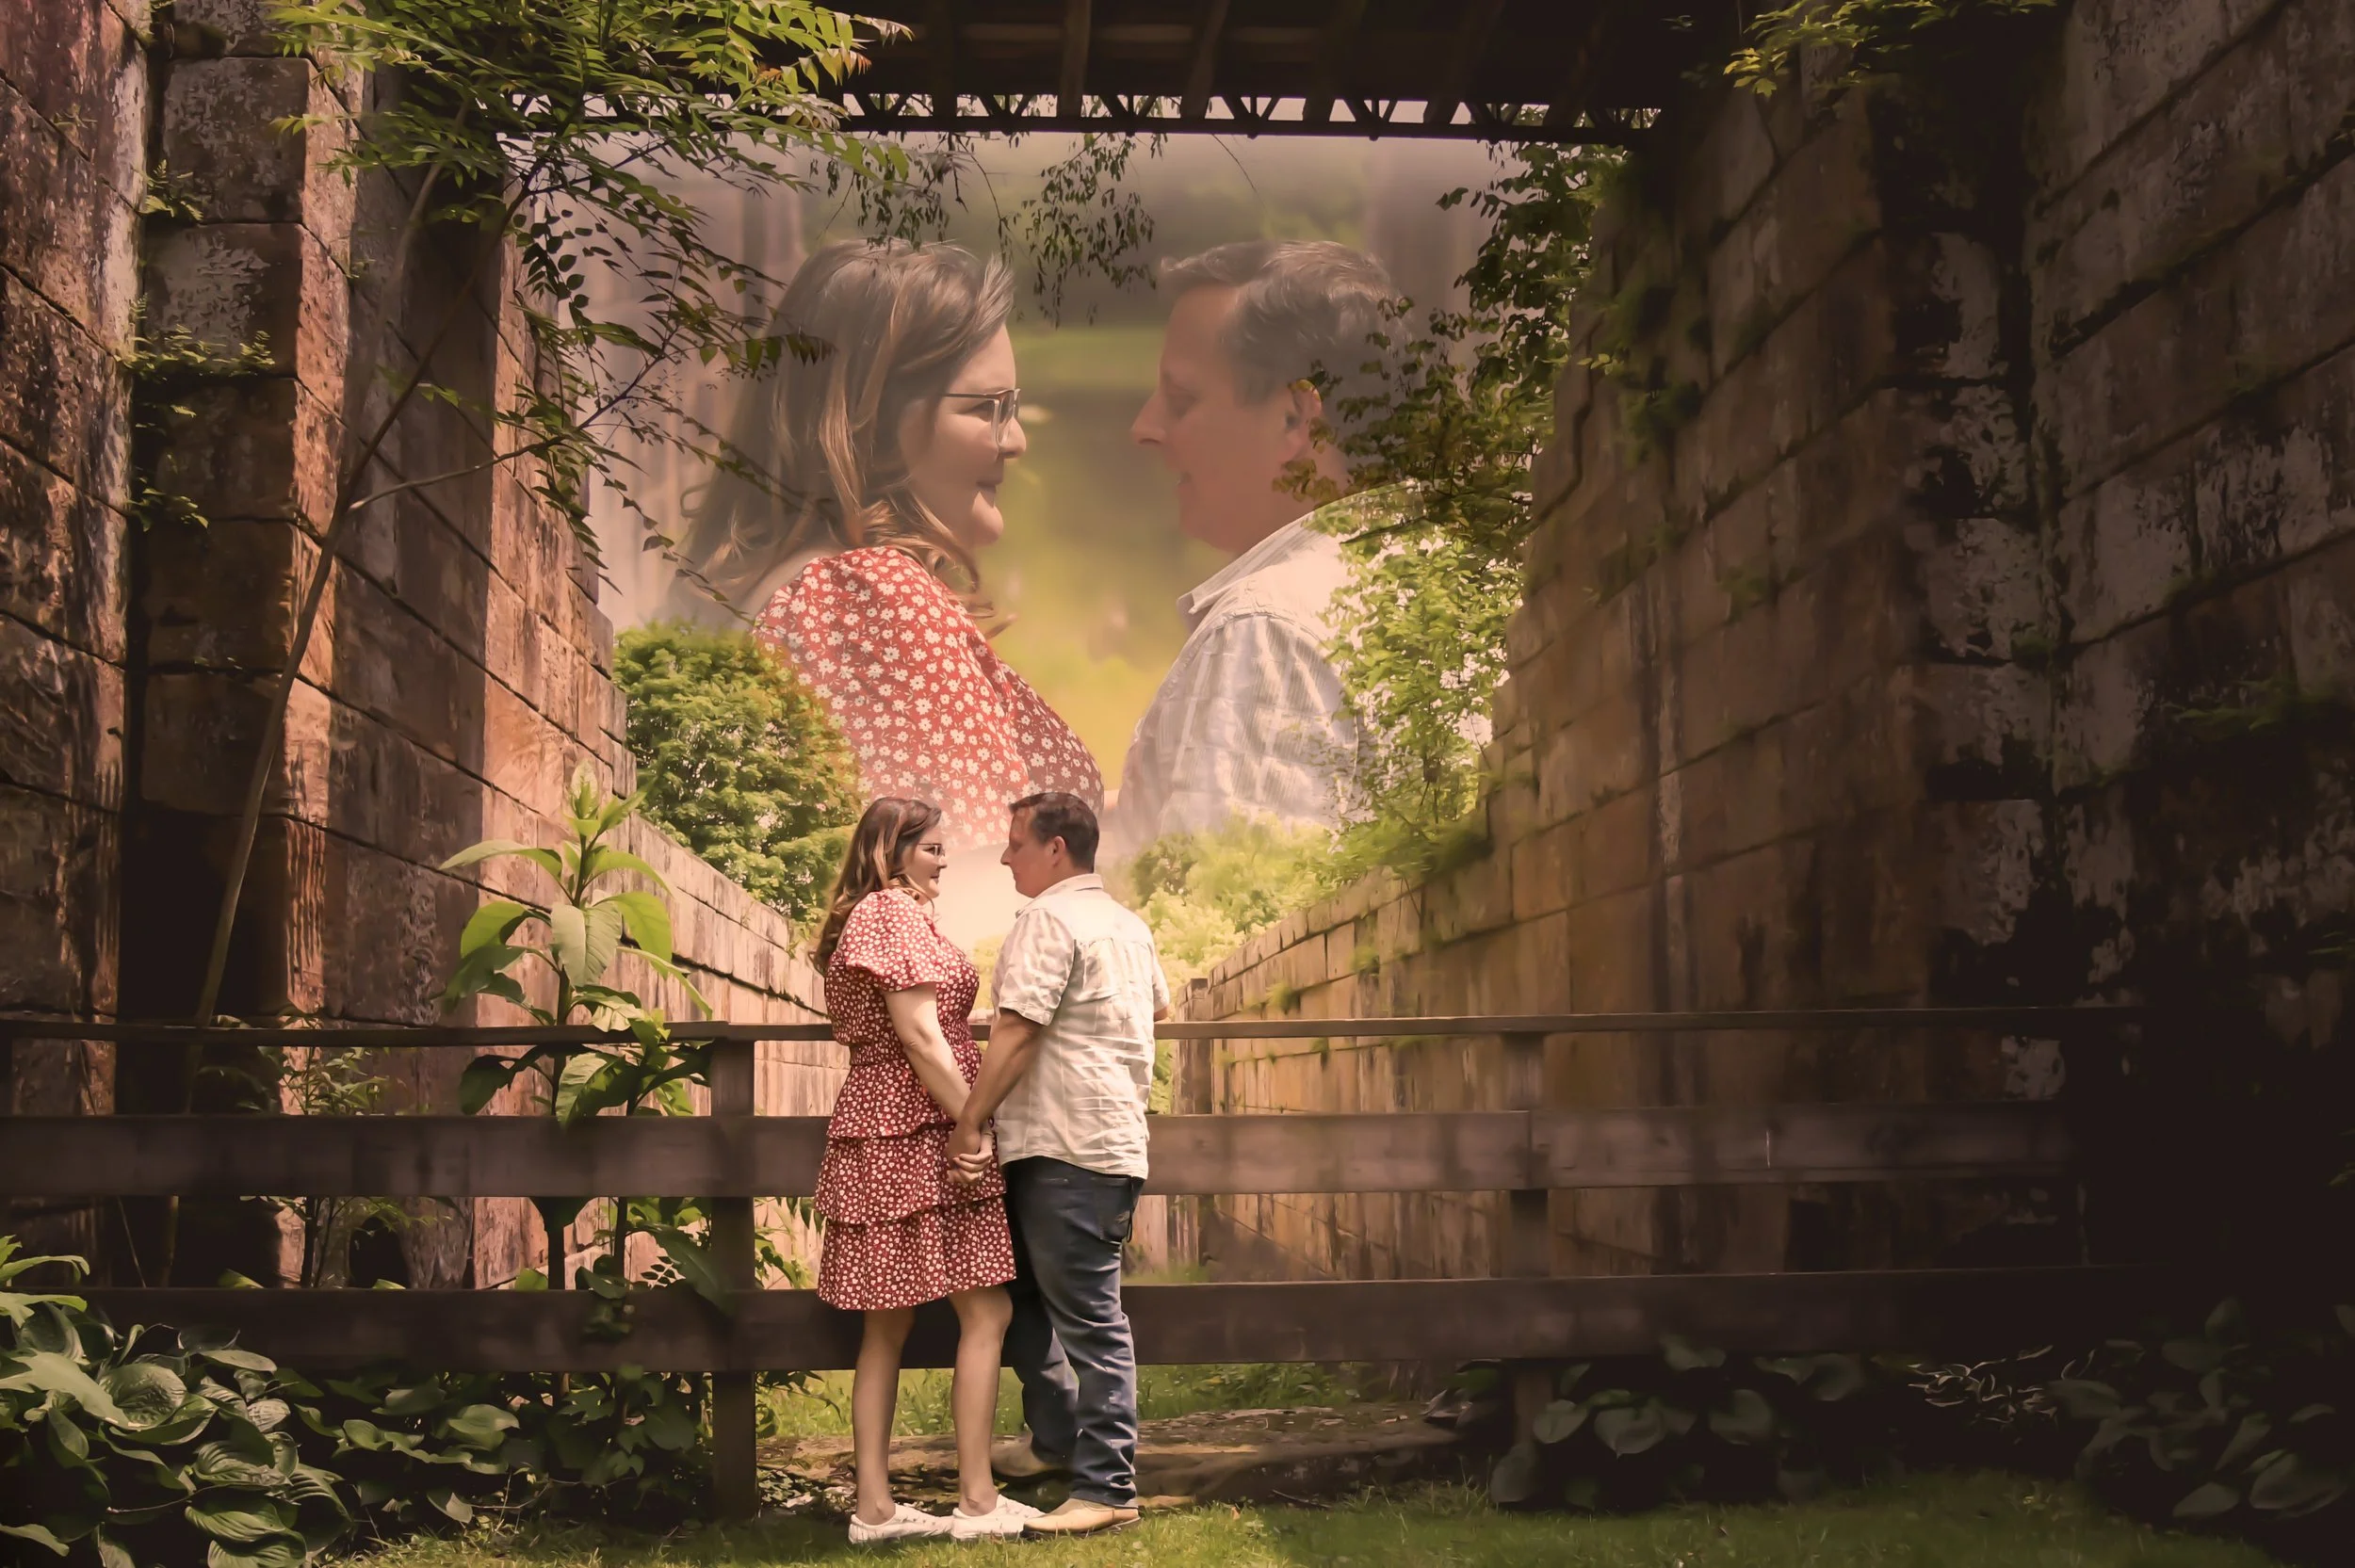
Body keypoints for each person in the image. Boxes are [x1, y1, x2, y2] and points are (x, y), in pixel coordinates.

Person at [679, 240, 1104, 940]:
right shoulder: (869, 599)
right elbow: (974, 890)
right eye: (988, 408)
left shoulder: (809, 589)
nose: (1017, 439)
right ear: (872, 425)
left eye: (1015, 405)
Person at [1107, 240, 1403, 861]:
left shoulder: (1267, 632)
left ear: (1296, 421)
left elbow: (1218, 925)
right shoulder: (1451, 581)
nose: (1144, 426)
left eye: (1181, 400)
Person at [807, 796, 1041, 1544]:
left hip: (892, 1120)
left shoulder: (888, 916)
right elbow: (919, 1034)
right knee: (986, 1309)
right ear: (893, 848)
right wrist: (966, 1125)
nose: (946, 860)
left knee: (890, 1324)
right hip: (916, 1122)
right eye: (934, 847)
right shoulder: (890, 915)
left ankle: (875, 1509)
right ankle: (975, 1498)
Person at [947, 791, 1171, 1538]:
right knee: (1026, 1303)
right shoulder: (1127, 925)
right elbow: (1157, 1010)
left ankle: (1108, 1484)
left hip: (1067, 1148)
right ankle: (1056, 1441)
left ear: (1056, 848)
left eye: (1015, 842)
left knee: (1090, 1320)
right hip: (1099, 1143)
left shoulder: (1048, 919)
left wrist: (970, 1120)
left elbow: (1016, 1032)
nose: (1005, 855)